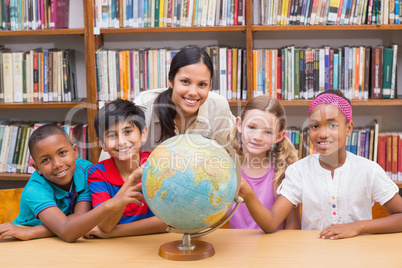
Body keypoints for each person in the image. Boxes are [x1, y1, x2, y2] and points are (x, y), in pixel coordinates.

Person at [240, 89, 402, 239]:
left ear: (348, 128)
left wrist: (357, 226)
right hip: (312, 257)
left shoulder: (368, 170)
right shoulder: (299, 171)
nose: (323, 134)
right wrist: (248, 193)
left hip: (358, 256)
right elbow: (271, 222)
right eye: (315, 126)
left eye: (333, 125)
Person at [0, 124, 143, 242]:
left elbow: (79, 220)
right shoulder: (35, 189)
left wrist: (33, 232)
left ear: (75, 151)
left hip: (59, 240)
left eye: (62, 153)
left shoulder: (86, 170)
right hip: (29, 245)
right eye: (45, 160)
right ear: (37, 168)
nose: (57, 164)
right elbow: (68, 232)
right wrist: (110, 205)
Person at [99, 45, 234, 160]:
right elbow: (112, 157)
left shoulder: (219, 107)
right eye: (185, 82)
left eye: (202, 84)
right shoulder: (144, 105)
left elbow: (230, 157)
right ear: (170, 80)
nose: (193, 92)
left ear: (210, 86)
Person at [85, 99, 166, 239]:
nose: (121, 142)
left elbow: (165, 222)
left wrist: (114, 233)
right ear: (102, 144)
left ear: (143, 134)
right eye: (112, 135)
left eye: (128, 131)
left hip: (153, 243)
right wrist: (132, 179)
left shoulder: (157, 163)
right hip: (112, 251)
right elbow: (105, 225)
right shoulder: (98, 173)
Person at [228, 96, 301, 230]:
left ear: (279, 136)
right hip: (234, 247)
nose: (257, 137)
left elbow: (293, 225)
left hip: (273, 249)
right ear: (239, 125)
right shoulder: (227, 167)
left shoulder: (284, 170)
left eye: (267, 131)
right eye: (251, 127)